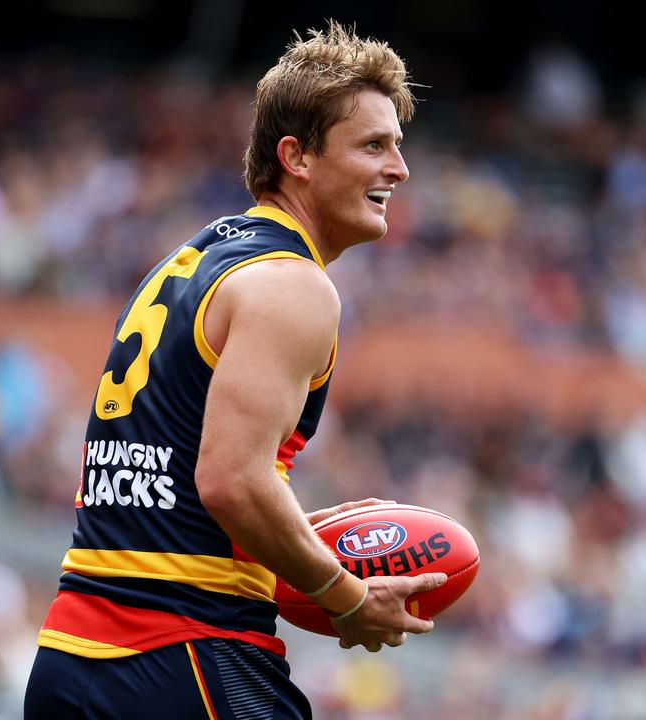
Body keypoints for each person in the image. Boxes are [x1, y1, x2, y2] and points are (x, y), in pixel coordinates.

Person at [24, 21, 446, 719]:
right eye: (374, 145)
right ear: (297, 158)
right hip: (184, 653)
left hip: (73, 658)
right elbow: (228, 481)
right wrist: (346, 596)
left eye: (397, 146)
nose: (399, 169)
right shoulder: (293, 284)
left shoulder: (191, 261)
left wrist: (290, 533)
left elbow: (185, 481)